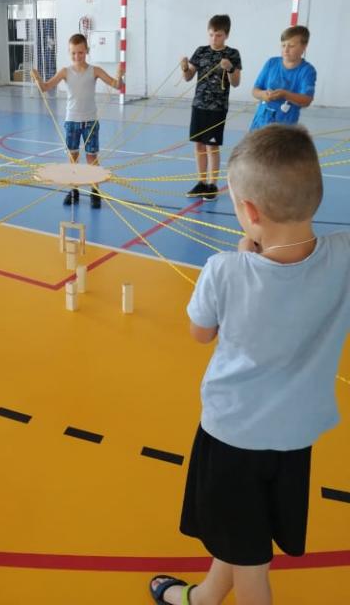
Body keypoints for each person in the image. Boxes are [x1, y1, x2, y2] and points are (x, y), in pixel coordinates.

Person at [149, 125, 350, 605]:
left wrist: (242, 259)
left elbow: (200, 332)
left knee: (252, 566)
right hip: (294, 439)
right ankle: (205, 597)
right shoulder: (344, 256)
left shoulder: (223, 270)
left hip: (234, 438)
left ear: (250, 213)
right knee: (244, 537)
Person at [32, 33, 123, 208]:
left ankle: (95, 191)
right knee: (73, 159)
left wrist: (120, 76)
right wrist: (37, 78)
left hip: (90, 122)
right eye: (73, 53)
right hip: (72, 121)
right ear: (69, 52)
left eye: (80, 52)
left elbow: (116, 85)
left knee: (92, 159)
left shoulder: (95, 70)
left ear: (86, 51)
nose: (77, 56)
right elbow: (45, 87)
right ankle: (74, 191)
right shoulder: (65, 72)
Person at [181, 15, 242, 201]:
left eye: (218, 35)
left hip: (217, 108)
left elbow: (236, 82)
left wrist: (230, 68)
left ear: (226, 35)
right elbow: (188, 77)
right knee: (199, 145)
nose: (214, 39)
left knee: (212, 146)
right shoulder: (201, 51)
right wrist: (184, 68)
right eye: (211, 35)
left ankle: (212, 184)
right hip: (199, 105)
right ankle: (201, 182)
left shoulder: (232, 54)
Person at [250, 25, 316, 130]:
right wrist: (263, 94)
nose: (286, 49)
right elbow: (255, 90)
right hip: (259, 124)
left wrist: (285, 94)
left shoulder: (307, 71)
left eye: (291, 46)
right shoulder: (271, 63)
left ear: (304, 46)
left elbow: (306, 100)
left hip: (285, 128)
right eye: (283, 45)